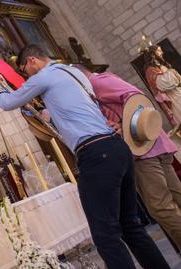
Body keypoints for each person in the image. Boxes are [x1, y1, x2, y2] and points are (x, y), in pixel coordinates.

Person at [0, 44, 168, 269]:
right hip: (116, 148)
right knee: (131, 227)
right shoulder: (73, 72)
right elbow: (68, 111)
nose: (27, 75)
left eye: (25, 69)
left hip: (96, 153)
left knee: (106, 236)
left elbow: (7, 102)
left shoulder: (44, 76)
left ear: (32, 60)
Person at [76, 66, 181, 249]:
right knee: (175, 197)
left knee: (161, 207)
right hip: (151, 145)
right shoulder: (96, 84)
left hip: (143, 149)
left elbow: (135, 97)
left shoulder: (96, 82)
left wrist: (123, 125)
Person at [144, 45, 181, 131]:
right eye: (159, 51)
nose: (162, 52)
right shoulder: (150, 70)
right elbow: (165, 85)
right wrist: (172, 73)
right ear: (153, 54)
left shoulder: (162, 65)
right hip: (173, 99)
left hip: (178, 92)